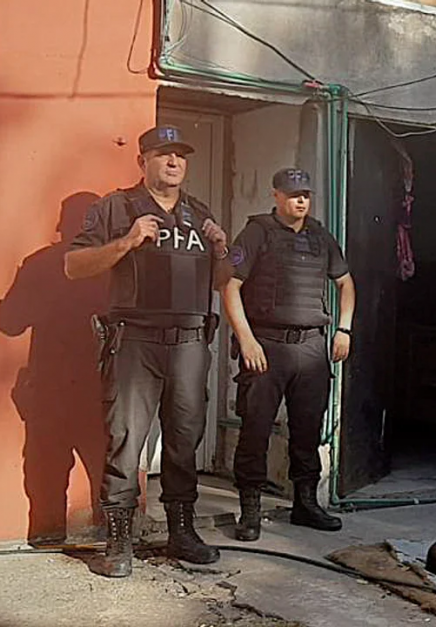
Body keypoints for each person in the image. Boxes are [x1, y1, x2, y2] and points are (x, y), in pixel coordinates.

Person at [64, 125, 230, 577]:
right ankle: (118, 542)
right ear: (142, 161)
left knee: (185, 440)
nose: (173, 162)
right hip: (135, 342)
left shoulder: (199, 213)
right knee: (125, 441)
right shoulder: (115, 208)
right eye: (163, 154)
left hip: (190, 343)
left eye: (180, 155)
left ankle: (182, 532)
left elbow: (221, 282)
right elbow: (74, 266)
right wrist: (127, 241)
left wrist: (221, 249)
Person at [222, 167, 356, 542]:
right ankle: (250, 510)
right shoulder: (257, 232)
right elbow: (229, 287)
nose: (301, 201)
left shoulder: (320, 236)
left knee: (307, 430)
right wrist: (246, 340)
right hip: (266, 345)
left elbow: (345, 283)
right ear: (276, 195)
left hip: (311, 347)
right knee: (255, 430)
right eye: (294, 194)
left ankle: (305, 504)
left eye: (306, 195)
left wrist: (344, 328)